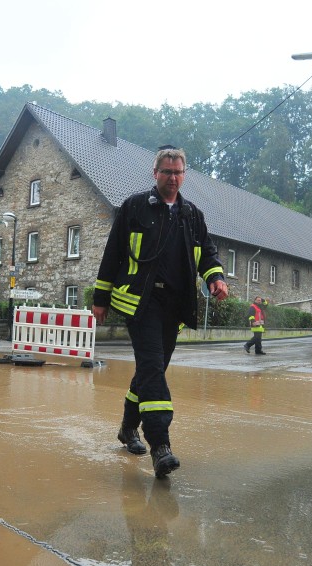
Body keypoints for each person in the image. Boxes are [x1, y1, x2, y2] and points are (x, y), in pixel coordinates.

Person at [92, 147, 228, 478]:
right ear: (155, 173)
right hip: (141, 303)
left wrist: (216, 278)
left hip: (174, 306)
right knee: (152, 368)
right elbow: (113, 253)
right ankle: (160, 445)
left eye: (178, 172)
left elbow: (207, 253)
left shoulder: (192, 214)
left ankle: (127, 427)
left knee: (151, 371)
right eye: (166, 171)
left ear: (185, 175)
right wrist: (101, 298)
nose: (172, 177)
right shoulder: (135, 207)